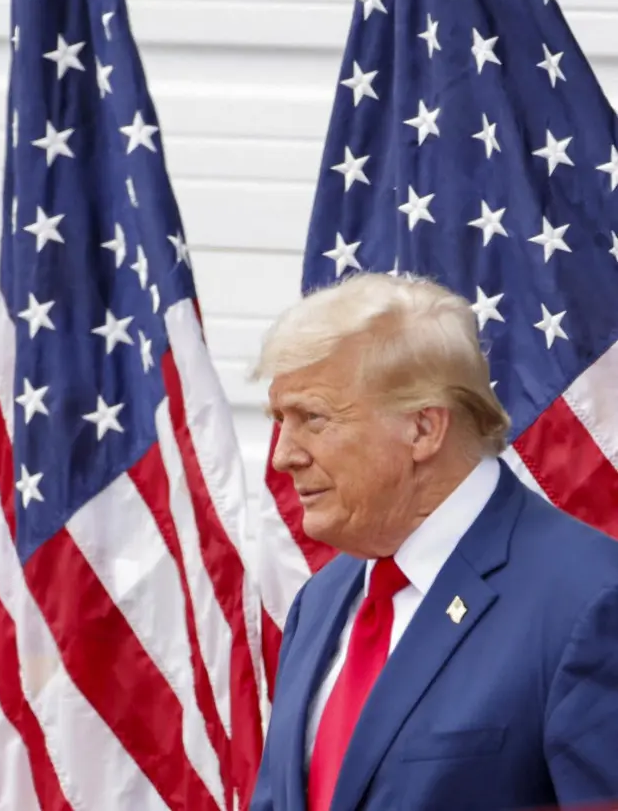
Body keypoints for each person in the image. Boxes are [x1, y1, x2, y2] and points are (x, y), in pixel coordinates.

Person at [249, 272, 618, 811]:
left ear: (423, 429)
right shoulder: (322, 600)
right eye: (280, 420)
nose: (283, 455)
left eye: (312, 418)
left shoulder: (589, 600)